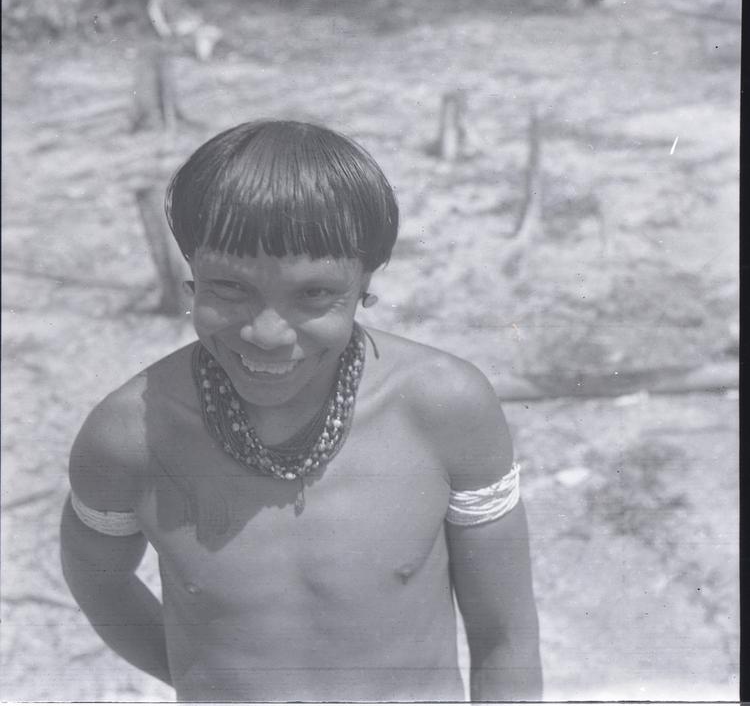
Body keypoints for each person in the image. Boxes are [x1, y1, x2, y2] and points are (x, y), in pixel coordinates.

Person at [60, 120, 542, 702]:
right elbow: (99, 580)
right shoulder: (131, 434)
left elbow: (506, 637)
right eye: (229, 289)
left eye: (313, 295)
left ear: (365, 286)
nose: (267, 333)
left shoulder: (444, 409)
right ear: (191, 277)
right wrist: (209, 681)